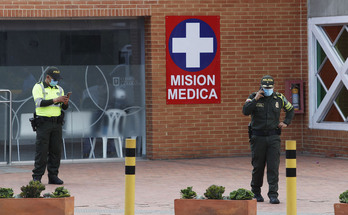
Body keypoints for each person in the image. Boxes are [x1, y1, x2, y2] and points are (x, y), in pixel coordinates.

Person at [242, 75, 294, 204]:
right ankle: (256, 192)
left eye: (270, 87)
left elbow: (291, 109)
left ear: (273, 86)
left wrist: (286, 122)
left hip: (273, 137)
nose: (268, 89)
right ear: (261, 87)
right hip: (258, 137)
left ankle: (273, 194)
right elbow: (245, 111)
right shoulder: (253, 96)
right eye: (265, 87)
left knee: (273, 166)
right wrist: (255, 99)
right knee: (258, 166)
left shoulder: (279, 98)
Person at [31, 67, 69, 184]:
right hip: (44, 123)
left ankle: (53, 176)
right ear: (47, 77)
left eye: (57, 79)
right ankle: (37, 177)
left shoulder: (60, 89)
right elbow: (39, 103)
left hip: (56, 123)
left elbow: (63, 107)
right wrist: (55, 99)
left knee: (56, 151)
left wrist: (65, 103)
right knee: (41, 151)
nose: (56, 81)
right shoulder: (39, 87)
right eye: (54, 79)